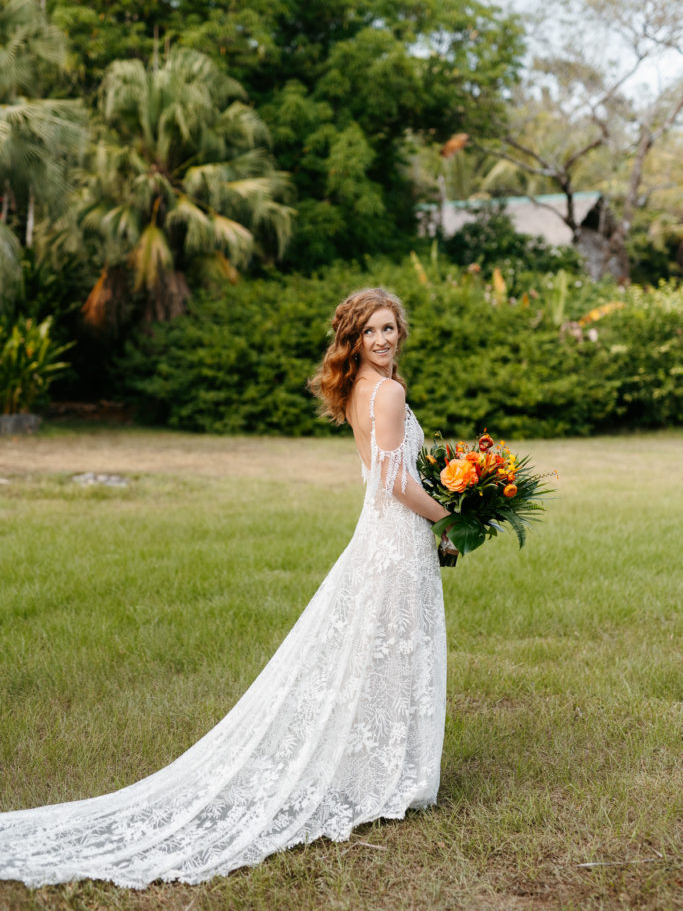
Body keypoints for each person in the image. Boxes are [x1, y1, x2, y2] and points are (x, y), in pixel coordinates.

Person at [0, 287, 450, 890]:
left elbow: (381, 471)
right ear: (354, 339)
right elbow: (395, 482)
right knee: (393, 650)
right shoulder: (388, 392)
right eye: (371, 331)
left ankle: (377, 767)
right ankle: (388, 774)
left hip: (378, 538)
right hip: (393, 539)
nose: (384, 339)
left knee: (378, 652)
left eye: (391, 328)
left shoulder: (359, 391)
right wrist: (452, 514)